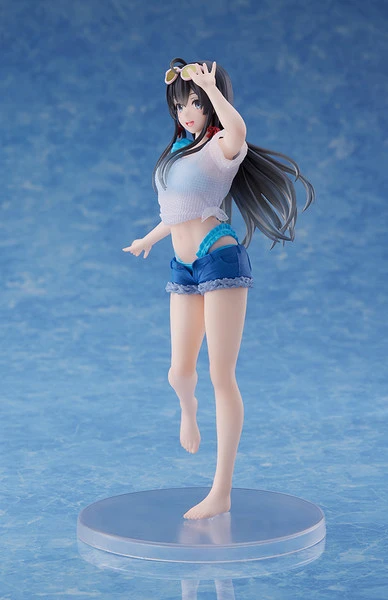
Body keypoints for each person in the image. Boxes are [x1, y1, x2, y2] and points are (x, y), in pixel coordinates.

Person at [123, 58, 315, 520]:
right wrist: (148, 239)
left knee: (221, 376)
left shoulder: (220, 147)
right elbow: (177, 211)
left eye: (194, 103)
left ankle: (221, 491)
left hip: (218, 257)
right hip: (183, 265)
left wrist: (212, 89)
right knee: (178, 373)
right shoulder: (178, 152)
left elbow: (238, 130)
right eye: (180, 106)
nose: (187, 112)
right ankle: (188, 411)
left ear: (210, 104)